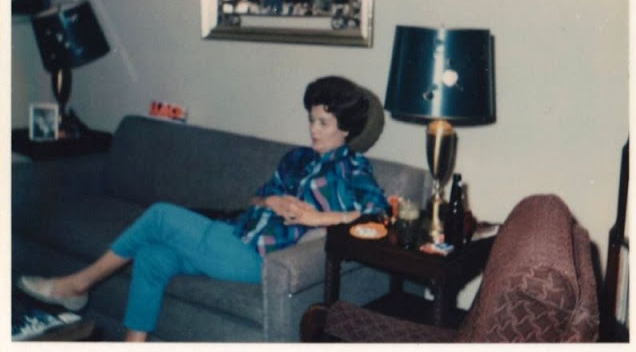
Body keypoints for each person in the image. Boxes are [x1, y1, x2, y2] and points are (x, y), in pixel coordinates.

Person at [18, 76, 389, 342]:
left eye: (323, 123)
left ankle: (78, 284)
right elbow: (255, 199)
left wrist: (318, 217)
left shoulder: (351, 169)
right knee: (152, 257)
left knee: (160, 215)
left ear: (345, 129)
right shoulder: (297, 158)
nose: (313, 129)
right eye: (311, 119)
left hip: (263, 257)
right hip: (239, 234)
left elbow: (378, 215)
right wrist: (270, 201)